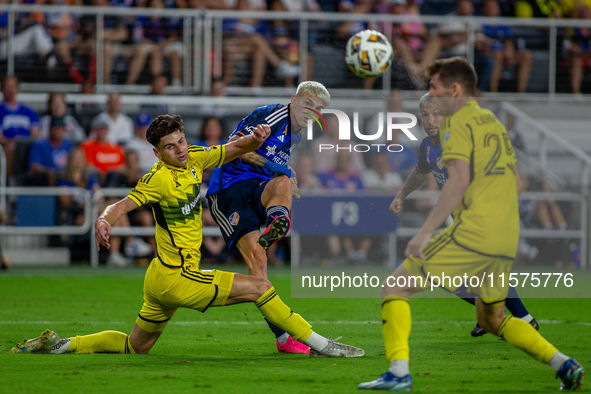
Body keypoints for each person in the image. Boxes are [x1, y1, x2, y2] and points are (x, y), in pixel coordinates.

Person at [11, 114, 364, 359]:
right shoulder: (158, 178)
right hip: (180, 277)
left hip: (159, 277)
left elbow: (230, 151)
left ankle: (60, 345)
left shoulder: (194, 159)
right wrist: (104, 219)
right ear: (157, 153)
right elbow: (123, 203)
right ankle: (321, 343)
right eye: (170, 147)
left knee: (136, 347)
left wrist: (254, 139)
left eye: (181, 141)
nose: (179, 150)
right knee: (260, 287)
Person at [358, 57, 584, 391]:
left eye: (435, 87)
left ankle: (399, 372)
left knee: (394, 287)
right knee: (491, 319)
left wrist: (424, 231)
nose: (431, 95)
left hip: (475, 228)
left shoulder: (455, 123)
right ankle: (564, 364)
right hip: (506, 234)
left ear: (455, 89)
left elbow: (458, 181)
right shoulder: (490, 121)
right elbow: (514, 179)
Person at [389, 93, 539, 338]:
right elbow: (420, 172)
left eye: (435, 113)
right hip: (463, 220)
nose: (430, 119)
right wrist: (401, 195)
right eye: (425, 115)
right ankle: (499, 316)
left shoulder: (463, 140)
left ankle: (512, 318)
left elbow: (513, 179)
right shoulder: (428, 145)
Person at [205, 81, 329, 354]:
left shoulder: (295, 134)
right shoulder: (271, 116)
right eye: (308, 104)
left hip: (255, 189)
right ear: (294, 99)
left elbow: (277, 170)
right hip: (229, 191)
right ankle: (283, 336)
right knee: (258, 264)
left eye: (318, 110)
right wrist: (276, 167)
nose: (312, 112)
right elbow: (233, 146)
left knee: (286, 181)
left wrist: (284, 178)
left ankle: (277, 221)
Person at [27, 117, 73, 186]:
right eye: (56, 128)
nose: (58, 131)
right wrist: (49, 171)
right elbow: (34, 167)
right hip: (46, 176)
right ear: (50, 129)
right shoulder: (40, 145)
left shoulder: (68, 145)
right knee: (51, 175)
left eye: (61, 128)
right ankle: (52, 196)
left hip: (65, 175)